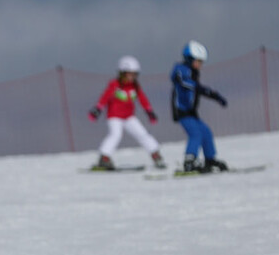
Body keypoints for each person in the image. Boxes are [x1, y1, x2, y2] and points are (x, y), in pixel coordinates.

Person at [88, 55, 165, 170]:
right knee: (115, 135)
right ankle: (104, 158)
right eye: (130, 74)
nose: (132, 77)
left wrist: (149, 111)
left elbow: (142, 99)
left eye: (135, 74)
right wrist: (98, 108)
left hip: (129, 117)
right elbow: (105, 97)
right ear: (122, 73)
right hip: (114, 116)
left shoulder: (135, 86)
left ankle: (155, 155)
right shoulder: (115, 84)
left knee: (142, 133)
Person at [170, 41, 229, 173]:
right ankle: (189, 161)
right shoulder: (181, 70)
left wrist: (214, 96)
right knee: (195, 134)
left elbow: (197, 88)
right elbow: (183, 81)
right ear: (189, 59)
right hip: (182, 111)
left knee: (206, 132)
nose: (200, 65)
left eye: (201, 62)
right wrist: (202, 89)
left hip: (191, 112)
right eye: (198, 61)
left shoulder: (193, 72)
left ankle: (210, 159)